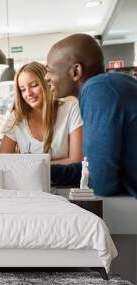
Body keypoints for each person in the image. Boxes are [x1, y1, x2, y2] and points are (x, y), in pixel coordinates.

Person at [45, 33, 137, 198]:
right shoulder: (112, 84)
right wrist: (41, 170)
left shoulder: (98, 90)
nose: (46, 78)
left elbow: (102, 183)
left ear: (76, 71)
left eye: (50, 71)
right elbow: (91, 168)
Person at [0, 62, 83, 164]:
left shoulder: (71, 109)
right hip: (28, 180)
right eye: (23, 89)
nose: (28, 93)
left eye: (34, 85)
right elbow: (2, 161)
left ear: (47, 83)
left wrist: (32, 165)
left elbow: (76, 160)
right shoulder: (16, 117)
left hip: (64, 180)